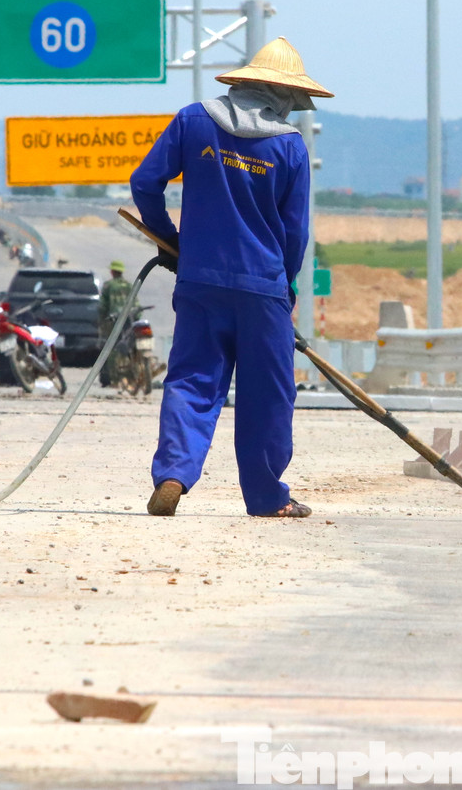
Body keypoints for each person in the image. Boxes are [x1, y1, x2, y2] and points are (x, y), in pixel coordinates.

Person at [129, 37, 331, 519]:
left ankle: (174, 474)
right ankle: (266, 498)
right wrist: (288, 288)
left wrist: (167, 239)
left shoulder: (192, 121)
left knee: (193, 379)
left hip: (199, 280)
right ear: (281, 95)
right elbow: (294, 231)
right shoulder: (289, 146)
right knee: (268, 393)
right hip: (263, 289)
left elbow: (144, 182)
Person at [98, 260, 133, 339]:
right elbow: (135, 304)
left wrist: (101, 319)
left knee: (109, 341)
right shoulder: (129, 285)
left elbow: (102, 306)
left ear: (112, 271)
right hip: (128, 319)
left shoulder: (108, 285)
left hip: (113, 320)